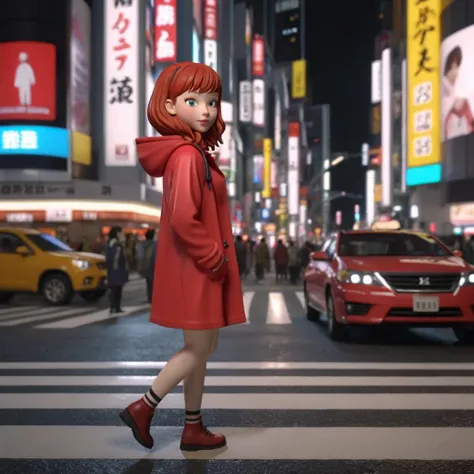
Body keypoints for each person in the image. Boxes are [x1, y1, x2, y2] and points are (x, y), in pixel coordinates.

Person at [120, 62, 246, 452]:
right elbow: (182, 216)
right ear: (170, 106)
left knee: (201, 349)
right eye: (193, 101)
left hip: (197, 266)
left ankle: (193, 427)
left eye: (212, 101)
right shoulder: (187, 156)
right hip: (200, 267)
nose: (206, 110)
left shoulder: (190, 153)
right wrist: (213, 256)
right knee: (200, 349)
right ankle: (144, 406)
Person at [105, 226, 129, 313]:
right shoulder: (115, 244)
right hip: (116, 269)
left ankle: (115, 307)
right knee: (115, 289)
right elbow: (114, 257)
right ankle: (114, 307)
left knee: (116, 289)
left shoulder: (112, 243)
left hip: (115, 269)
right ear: (117, 233)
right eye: (120, 232)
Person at [136, 229, 157, 303]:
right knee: (155, 284)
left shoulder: (141, 245)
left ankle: (150, 298)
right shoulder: (155, 244)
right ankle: (154, 299)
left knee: (149, 283)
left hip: (145, 266)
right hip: (154, 267)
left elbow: (139, 256)